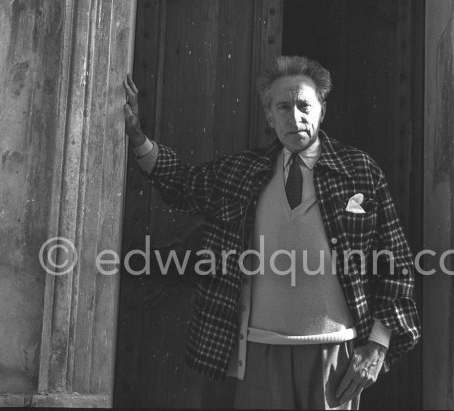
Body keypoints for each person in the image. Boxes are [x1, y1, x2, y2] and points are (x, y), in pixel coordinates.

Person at [123, 55, 420, 410]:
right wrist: (138, 137)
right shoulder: (242, 173)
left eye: (304, 105)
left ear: (322, 111)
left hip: (335, 352)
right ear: (269, 116)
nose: (295, 117)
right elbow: (184, 184)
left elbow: (396, 261)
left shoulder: (360, 170)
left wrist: (378, 344)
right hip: (259, 351)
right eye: (283, 107)